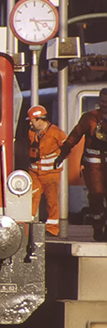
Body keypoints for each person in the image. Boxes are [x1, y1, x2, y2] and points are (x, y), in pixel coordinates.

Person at [55, 88, 107, 241]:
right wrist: (61, 155)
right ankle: (98, 227)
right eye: (103, 101)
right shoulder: (89, 118)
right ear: (99, 101)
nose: (105, 104)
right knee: (96, 196)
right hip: (93, 165)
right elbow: (74, 137)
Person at [26, 105, 67, 236]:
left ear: (40, 119)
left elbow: (67, 147)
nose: (30, 123)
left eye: (32, 120)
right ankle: (27, 226)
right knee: (31, 198)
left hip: (51, 174)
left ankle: (52, 229)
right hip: (35, 173)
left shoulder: (56, 132)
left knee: (52, 201)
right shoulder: (31, 132)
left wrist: (60, 159)